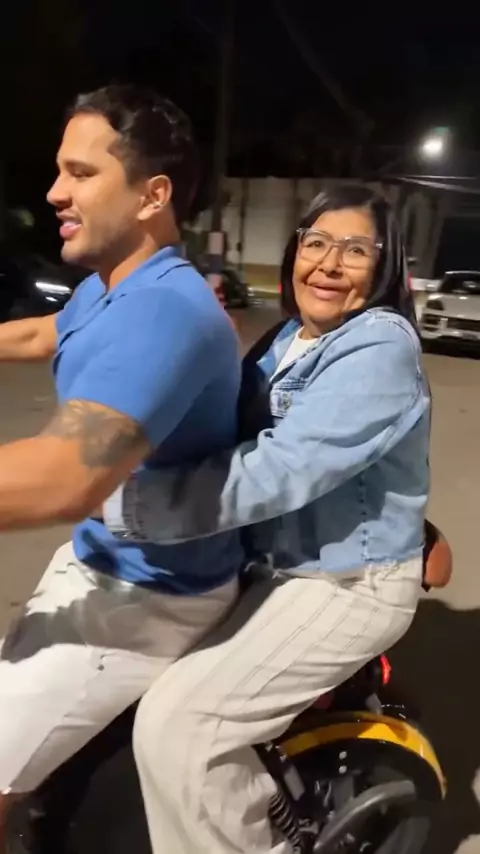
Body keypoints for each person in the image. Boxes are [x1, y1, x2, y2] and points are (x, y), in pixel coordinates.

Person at [103, 184, 432, 854]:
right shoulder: (291, 337)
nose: (329, 263)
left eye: (355, 250)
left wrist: (127, 505)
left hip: (347, 585)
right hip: (279, 567)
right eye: (316, 242)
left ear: (385, 265)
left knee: (181, 728)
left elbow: (283, 468)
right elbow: (226, 422)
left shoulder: (379, 346)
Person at [0, 84, 243, 846]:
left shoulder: (165, 312)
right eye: (59, 170)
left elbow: (63, 477)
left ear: (152, 195)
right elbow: (45, 334)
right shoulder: (111, 287)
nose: (54, 192)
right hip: (101, 560)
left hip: (147, 596)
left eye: (80, 173)